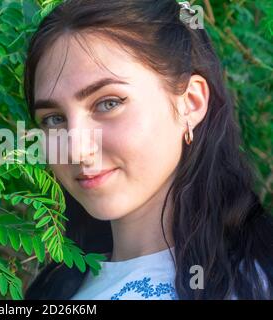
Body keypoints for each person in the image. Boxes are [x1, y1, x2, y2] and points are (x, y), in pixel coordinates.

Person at [22, 0, 273, 299]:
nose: (75, 149)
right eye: (54, 119)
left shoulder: (252, 282)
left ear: (190, 103)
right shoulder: (54, 286)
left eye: (108, 103)